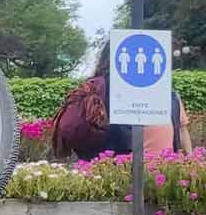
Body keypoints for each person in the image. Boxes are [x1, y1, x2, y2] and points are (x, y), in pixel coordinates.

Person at [52, 44, 192, 160]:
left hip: (113, 172)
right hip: (125, 173)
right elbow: (182, 133)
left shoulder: (169, 95)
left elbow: (181, 131)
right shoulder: (166, 94)